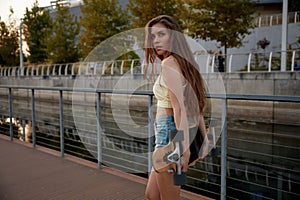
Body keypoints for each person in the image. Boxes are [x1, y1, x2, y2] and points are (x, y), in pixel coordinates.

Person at [144, 15, 208, 200]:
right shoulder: (185, 63)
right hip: (170, 132)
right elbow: (195, 105)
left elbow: (180, 108)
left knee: (168, 197)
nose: (156, 41)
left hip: (170, 133)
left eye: (161, 34)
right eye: (153, 36)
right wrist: (204, 139)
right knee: (152, 194)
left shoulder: (169, 63)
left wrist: (183, 149)